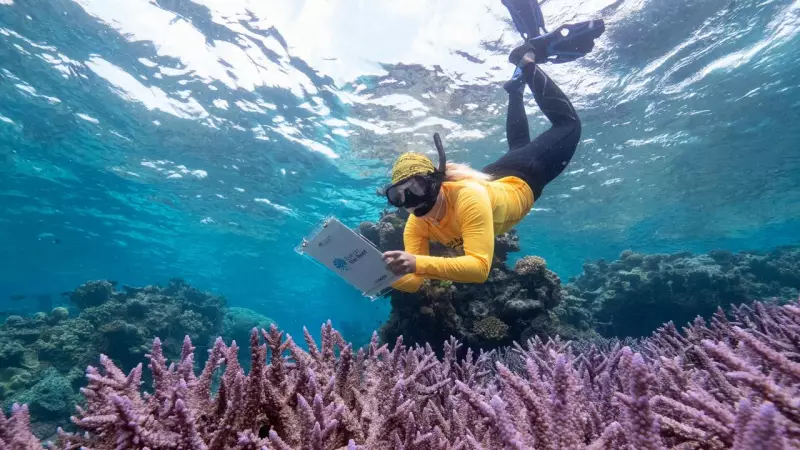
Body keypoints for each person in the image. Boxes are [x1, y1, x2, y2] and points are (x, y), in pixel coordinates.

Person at [381, 47, 586, 293]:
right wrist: (376, 275)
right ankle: (515, 89)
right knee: (518, 145)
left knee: (569, 125)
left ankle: (527, 63)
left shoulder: (467, 197)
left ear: (435, 182)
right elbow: (414, 282)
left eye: (416, 187)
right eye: (398, 195)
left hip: (527, 173)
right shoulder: (416, 225)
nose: (410, 201)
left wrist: (416, 262)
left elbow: (479, 269)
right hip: (496, 176)